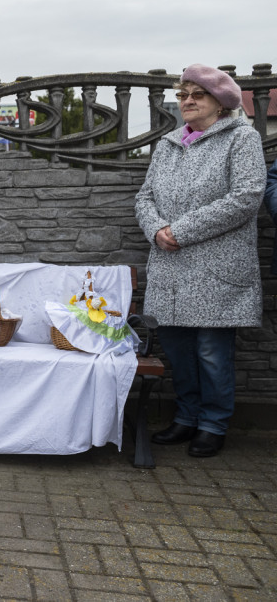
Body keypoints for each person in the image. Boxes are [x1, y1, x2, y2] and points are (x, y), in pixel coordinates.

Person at [135, 63, 265, 458]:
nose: (188, 101)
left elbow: (246, 196)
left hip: (215, 269)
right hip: (170, 267)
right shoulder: (169, 143)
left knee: (211, 352)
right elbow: (144, 197)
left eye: (197, 95)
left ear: (220, 101)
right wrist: (157, 229)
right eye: (183, 95)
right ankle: (187, 417)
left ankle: (212, 423)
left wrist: (182, 231)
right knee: (178, 351)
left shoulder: (241, 139)